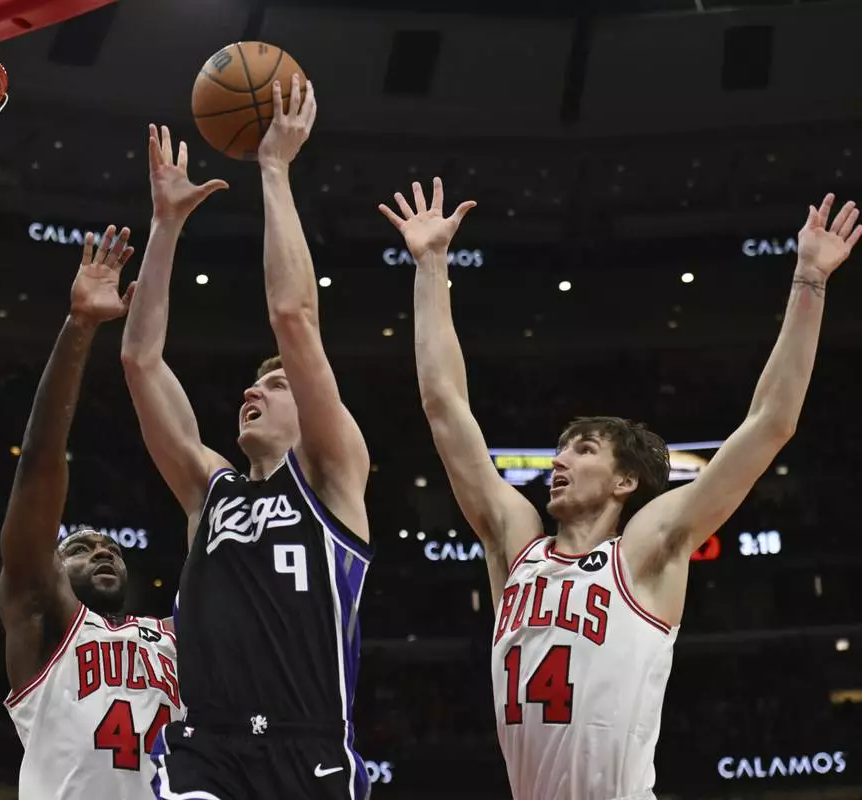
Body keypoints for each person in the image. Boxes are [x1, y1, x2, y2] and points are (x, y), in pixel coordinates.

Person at [382, 178, 859, 799]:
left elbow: (771, 422)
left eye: (583, 450)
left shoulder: (644, 551)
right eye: (561, 448)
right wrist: (430, 266)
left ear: (625, 481)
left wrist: (810, 281)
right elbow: (444, 406)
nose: (559, 460)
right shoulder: (515, 544)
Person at [122, 75, 372, 800]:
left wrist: (274, 169)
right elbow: (140, 361)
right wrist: (165, 226)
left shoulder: (331, 473)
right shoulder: (211, 490)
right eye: (254, 385)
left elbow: (293, 316)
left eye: (277, 385)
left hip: (308, 751)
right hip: (205, 750)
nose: (251, 391)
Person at [0, 226, 183, 800]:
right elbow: (39, 465)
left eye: (112, 549)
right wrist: (79, 326)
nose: (103, 551)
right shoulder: (43, 618)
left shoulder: (176, 638)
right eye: (80, 547)